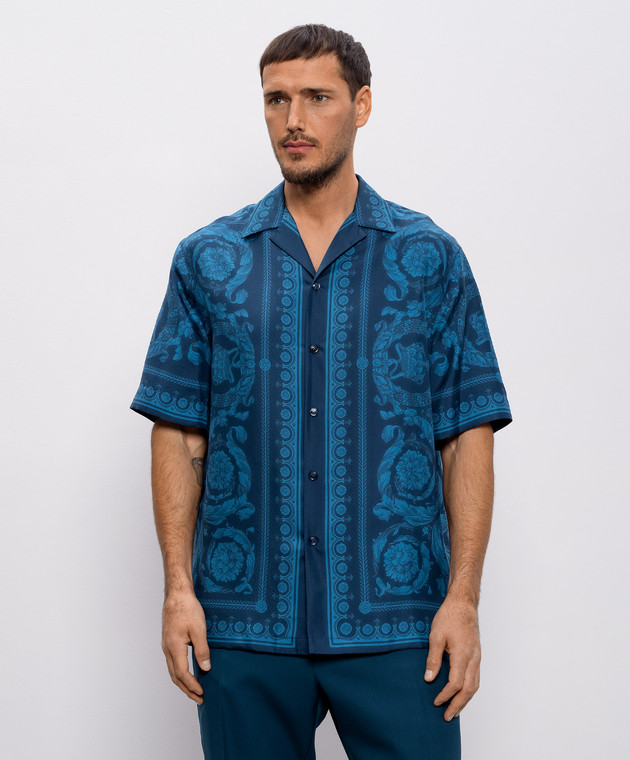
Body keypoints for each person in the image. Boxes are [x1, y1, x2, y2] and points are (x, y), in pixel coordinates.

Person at [130, 23, 512, 760]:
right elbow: (177, 431)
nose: (293, 120)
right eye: (276, 99)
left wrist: (463, 600)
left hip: (402, 624)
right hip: (244, 624)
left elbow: (468, 433)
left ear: (361, 105)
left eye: (317, 97)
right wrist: (178, 590)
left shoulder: (429, 257)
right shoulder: (209, 259)